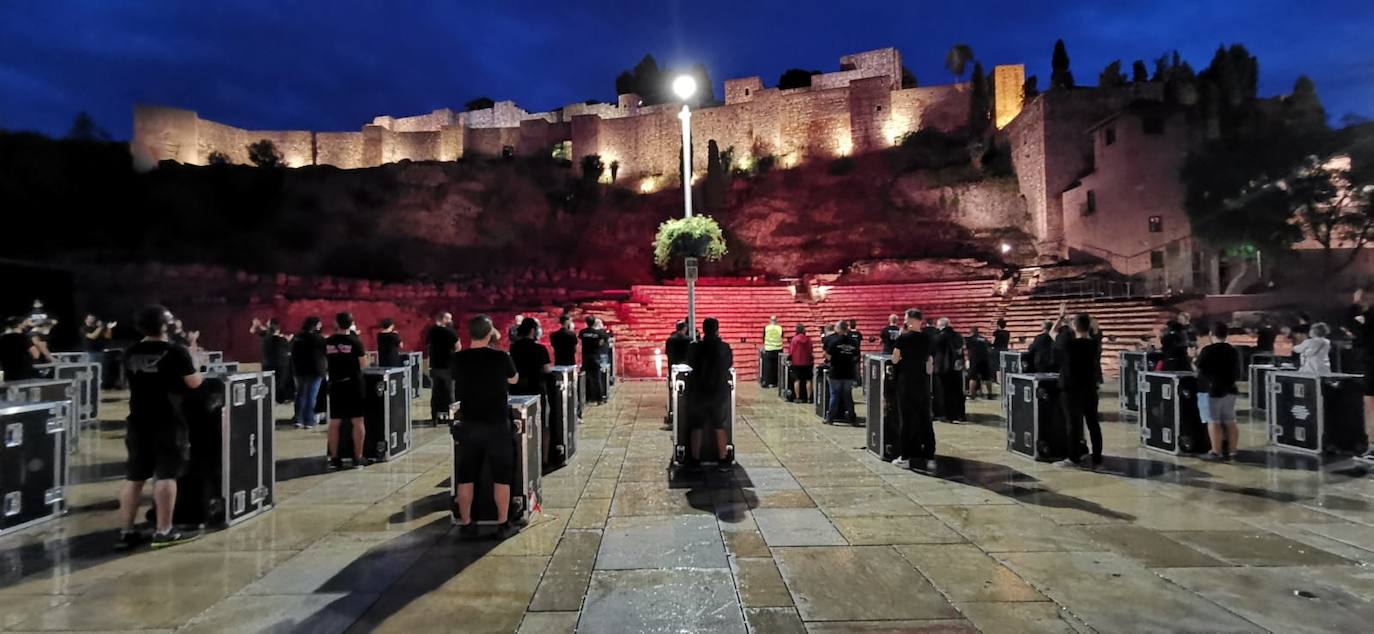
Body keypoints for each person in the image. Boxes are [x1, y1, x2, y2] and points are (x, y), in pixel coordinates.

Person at [116, 305, 203, 549]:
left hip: (137, 419)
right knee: (166, 475)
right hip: (167, 420)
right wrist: (194, 354)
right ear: (164, 326)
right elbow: (194, 382)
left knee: (135, 477)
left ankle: (127, 531)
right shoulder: (175, 351)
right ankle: (164, 531)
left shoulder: (129, 352)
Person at [451, 315, 521, 540]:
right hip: (496, 425)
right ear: (490, 333)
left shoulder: (458, 359)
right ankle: (503, 524)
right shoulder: (501, 357)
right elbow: (514, 380)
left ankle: (466, 524)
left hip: (469, 423)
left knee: (465, 476)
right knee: (501, 477)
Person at [1054, 314, 1103, 468]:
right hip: (1089, 388)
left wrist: (1061, 318)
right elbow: (1093, 332)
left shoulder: (1068, 344)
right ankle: (1097, 456)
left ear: (1074, 327)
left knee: (1073, 425)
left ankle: (1073, 458)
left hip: (1071, 389)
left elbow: (1052, 333)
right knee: (1093, 423)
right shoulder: (1094, 344)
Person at [685, 317, 733, 468]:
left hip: (698, 391)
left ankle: (694, 459)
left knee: (697, 425)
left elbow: (690, 362)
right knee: (719, 425)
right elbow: (728, 364)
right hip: (718, 392)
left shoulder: (695, 347)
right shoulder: (724, 347)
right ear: (717, 329)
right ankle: (723, 458)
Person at [891, 308, 934, 471]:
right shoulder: (927, 338)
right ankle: (929, 457)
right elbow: (929, 364)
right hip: (922, 383)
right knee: (925, 420)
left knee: (906, 421)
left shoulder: (903, 338)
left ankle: (905, 457)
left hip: (906, 383)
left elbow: (895, 359)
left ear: (911, 320)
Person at [325, 312, 370, 469]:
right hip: (353, 385)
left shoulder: (329, 342)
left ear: (336, 323)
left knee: (335, 422)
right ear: (351, 324)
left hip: (336, 385)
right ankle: (358, 458)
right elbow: (364, 365)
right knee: (357, 421)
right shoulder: (355, 342)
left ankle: (335, 458)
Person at [1195, 323, 1241, 461]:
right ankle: (1232, 451)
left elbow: (1198, 367)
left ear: (1211, 334)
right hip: (1231, 388)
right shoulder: (1233, 350)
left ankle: (1216, 451)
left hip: (1212, 389)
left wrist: (1193, 357)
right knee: (1230, 421)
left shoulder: (1208, 350)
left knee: (1213, 421)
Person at [510, 317, 552, 463]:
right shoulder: (539, 348)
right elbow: (547, 370)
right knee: (541, 424)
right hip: (535, 389)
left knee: (519, 425)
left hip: (517, 390)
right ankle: (544, 458)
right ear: (533, 331)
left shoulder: (514, 347)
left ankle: (521, 456)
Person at [290, 316, 326, 429]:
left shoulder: (298, 337)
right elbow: (325, 351)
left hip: (300, 370)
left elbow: (293, 352)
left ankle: (298, 419)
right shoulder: (318, 339)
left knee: (300, 395)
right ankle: (309, 420)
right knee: (311, 396)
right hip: (315, 370)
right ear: (315, 325)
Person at [1351, 289, 1374, 464]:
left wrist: (1357, 322)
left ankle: (1372, 449)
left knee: (1371, 406)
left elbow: (1361, 338)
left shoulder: (1369, 317)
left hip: (1372, 364)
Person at [426, 312, 460, 423]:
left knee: (435, 393)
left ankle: (434, 416)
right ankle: (451, 417)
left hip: (435, 365)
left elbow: (427, 344)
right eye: (449, 318)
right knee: (450, 393)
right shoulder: (451, 332)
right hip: (448, 366)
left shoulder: (431, 331)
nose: (451, 320)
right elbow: (458, 347)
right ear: (444, 319)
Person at [250, 318, 294, 403]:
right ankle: (278, 399)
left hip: (267, 364)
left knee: (268, 383)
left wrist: (256, 325)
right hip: (280, 366)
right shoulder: (282, 340)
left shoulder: (265, 338)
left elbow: (254, 331)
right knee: (279, 383)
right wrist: (288, 340)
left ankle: (268, 400)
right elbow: (288, 349)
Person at [824, 320, 859, 424]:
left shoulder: (834, 341)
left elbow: (827, 355)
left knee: (834, 395)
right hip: (848, 372)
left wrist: (834, 359)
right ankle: (852, 418)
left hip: (836, 372)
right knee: (848, 396)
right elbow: (856, 356)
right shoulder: (853, 342)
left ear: (838, 329)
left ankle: (830, 418)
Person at [931, 318, 966, 423]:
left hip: (942, 368)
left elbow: (932, 350)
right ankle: (959, 414)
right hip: (956, 368)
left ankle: (944, 414)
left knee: (942, 392)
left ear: (941, 326)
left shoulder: (939, 337)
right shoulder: (958, 336)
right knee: (957, 392)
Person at [1, 316, 42, 381]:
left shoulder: (2, 338)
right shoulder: (23, 337)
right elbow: (36, 355)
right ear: (19, 325)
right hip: (24, 373)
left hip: (9, 374)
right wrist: (39, 345)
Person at [580, 316, 607, 403]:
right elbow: (602, 342)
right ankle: (599, 398)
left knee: (586, 378)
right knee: (597, 378)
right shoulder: (598, 333)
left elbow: (581, 339)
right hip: (596, 357)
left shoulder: (582, 332)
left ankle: (587, 398)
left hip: (586, 358)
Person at [965, 326, 994, 400]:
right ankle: (990, 394)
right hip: (985, 360)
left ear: (971, 332)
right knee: (987, 378)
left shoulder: (969, 339)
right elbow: (990, 346)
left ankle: (972, 394)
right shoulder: (984, 339)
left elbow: (967, 349)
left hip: (975, 360)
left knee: (973, 377)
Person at [787, 323, 814, 403]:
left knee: (797, 380)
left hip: (796, 362)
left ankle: (798, 397)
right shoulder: (808, 339)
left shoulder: (794, 339)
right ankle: (809, 398)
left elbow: (791, 351)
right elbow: (810, 350)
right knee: (808, 380)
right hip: (807, 362)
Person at [762, 316, 784, 388]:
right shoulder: (780, 328)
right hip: (778, 349)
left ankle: (767, 382)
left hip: (769, 349)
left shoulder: (766, 328)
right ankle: (776, 382)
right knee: (776, 367)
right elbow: (782, 336)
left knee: (768, 367)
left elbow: (764, 337)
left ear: (770, 320)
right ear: (776, 321)